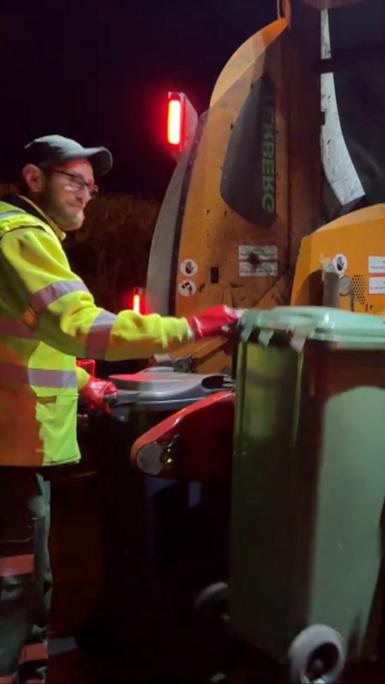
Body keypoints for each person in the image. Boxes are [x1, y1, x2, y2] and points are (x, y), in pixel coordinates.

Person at [0, 134, 241, 684]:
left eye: (90, 185)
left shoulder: (27, 235)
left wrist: (84, 387)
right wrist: (192, 327)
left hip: (18, 446)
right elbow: (82, 325)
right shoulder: (21, 236)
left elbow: (30, 338)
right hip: (9, 451)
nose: (87, 194)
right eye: (73, 181)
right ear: (33, 179)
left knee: (29, 584)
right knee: (15, 589)